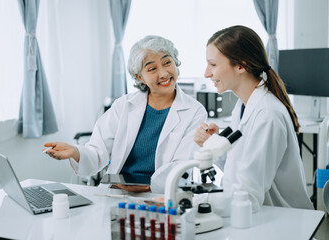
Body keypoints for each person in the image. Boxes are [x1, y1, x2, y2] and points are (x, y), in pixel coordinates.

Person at [44, 35, 207, 193]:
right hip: (116, 192)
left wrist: (149, 186)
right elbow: (97, 152)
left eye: (167, 62)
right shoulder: (124, 106)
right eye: (152, 69)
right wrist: (75, 152)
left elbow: (182, 165)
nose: (164, 73)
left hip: (161, 195)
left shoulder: (194, 111)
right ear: (140, 77)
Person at [194, 25, 313, 216]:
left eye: (213, 65)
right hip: (258, 215)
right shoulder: (242, 107)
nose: (207, 73)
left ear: (241, 66)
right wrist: (216, 145)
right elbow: (239, 167)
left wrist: (190, 202)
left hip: (283, 222)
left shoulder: (267, 115)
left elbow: (247, 197)